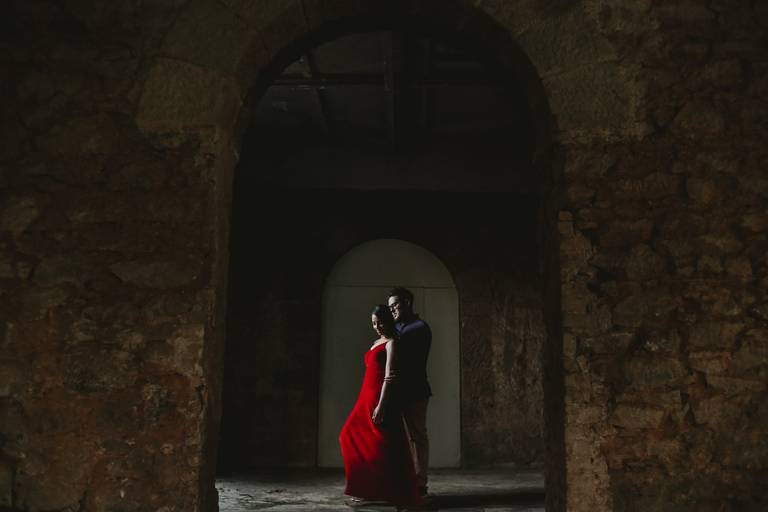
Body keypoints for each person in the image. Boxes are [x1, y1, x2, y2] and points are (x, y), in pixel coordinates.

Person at [339, 305, 422, 509]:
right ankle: (364, 489)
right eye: (374, 323)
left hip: (380, 398)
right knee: (349, 436)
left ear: (388, 321)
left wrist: (382, 405)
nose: (377, 327)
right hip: (365, 396)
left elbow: (389, 377)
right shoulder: (376, 342)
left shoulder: (392, 343)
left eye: (380, 322)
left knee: (384, 445)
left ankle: (381, 491)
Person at [387, 286, 432, 497]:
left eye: (395, 304)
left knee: (417, 437)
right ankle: (401, 480)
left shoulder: (419, 327)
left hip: (414, 391)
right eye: (390, 306)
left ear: (407, 303)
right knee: (397, 438)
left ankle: (420, 482)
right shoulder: (395, 327)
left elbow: (404, 358)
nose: (392, 309)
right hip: (396, 391)